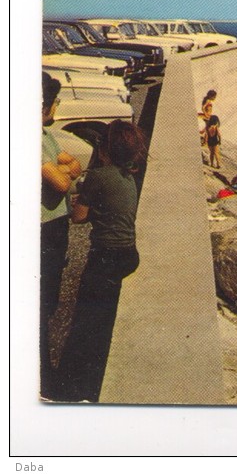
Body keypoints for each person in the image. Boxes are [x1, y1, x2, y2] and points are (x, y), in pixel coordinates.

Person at [59, 120, 147, 402]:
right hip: (128, 253)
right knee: (102, 319)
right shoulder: (128, 176)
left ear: (105, 149)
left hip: (107, 257)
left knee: (87, 322)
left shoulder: (98, 176)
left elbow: (78, 217)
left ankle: (76, 389)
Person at [40, 72, 82, 399]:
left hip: (55, 228)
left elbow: (74, 165)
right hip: (43, 231)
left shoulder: (47, 135)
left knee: (49, 300)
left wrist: (61, 168)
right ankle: (42, 379)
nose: (57, 106)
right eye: (55, 101)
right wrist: (61, 170)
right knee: (39, 306)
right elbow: (62, 183)